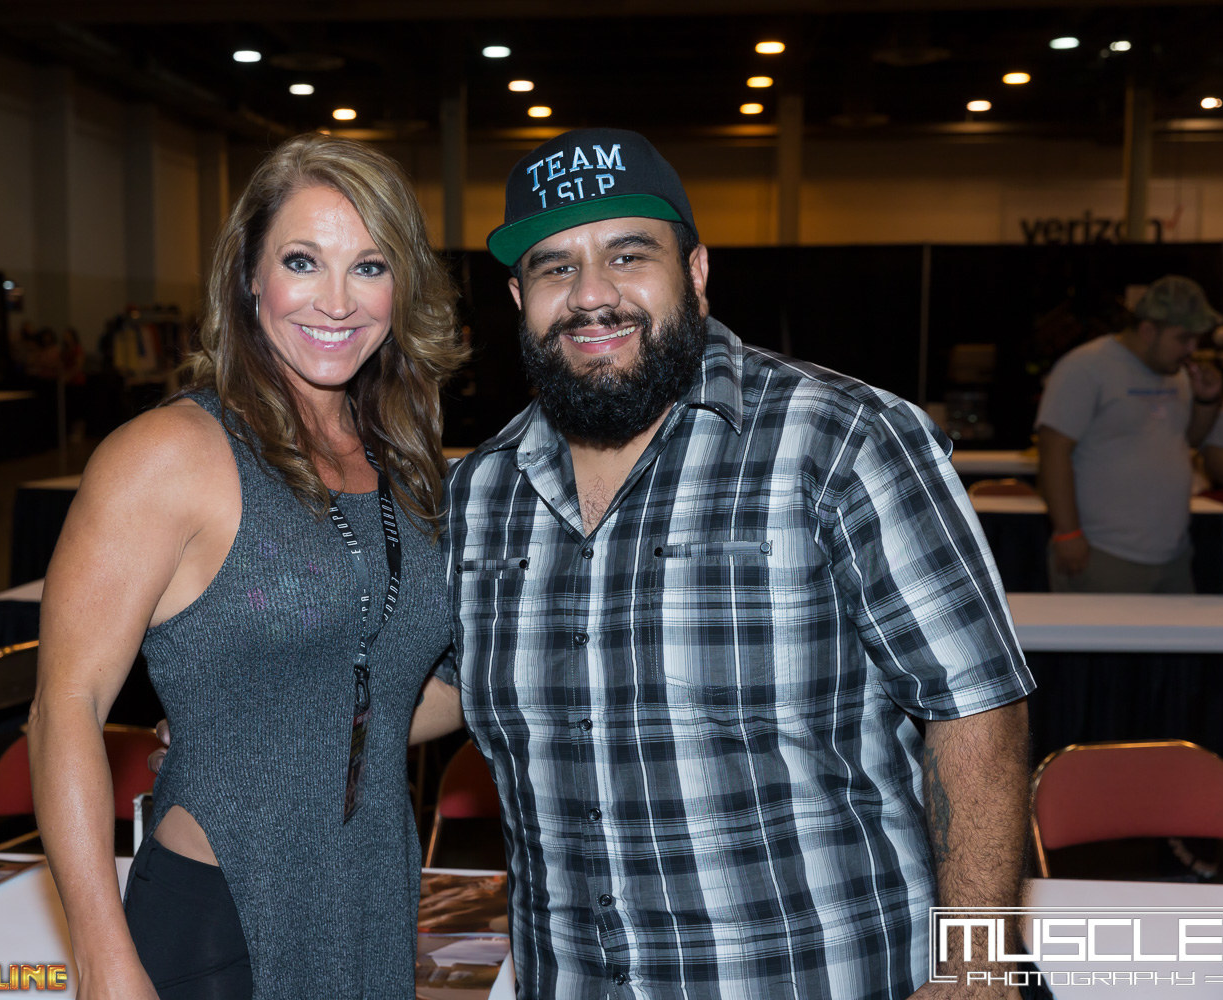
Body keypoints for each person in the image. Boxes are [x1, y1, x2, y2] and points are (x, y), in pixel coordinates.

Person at [436, 128, 1035, 998]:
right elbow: (443, 684)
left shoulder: (842, 439)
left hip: (814, 975)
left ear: (697, 271)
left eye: (628, 255)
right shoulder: (481, 489)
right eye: (555, 267)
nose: (591, 295)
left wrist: (976, 965)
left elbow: (977, 706)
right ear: (518, 296)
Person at [29, 134, 466, 1000]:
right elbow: (62, 709)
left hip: (373, 903)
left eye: (370, 266)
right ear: (249, 277)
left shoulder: (408, 462)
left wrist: (257, 719)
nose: (336, 301)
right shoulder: (166, 455)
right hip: (218, 921)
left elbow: (400, 685)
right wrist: (103, 958)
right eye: (303, 261)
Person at [1035, 275, 1223, 593]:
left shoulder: (1176, 373)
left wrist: (1207, 400)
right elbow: (1053, 451)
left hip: (1173, 557)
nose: (1192, 349)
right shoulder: (1086, 366)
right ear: (1148, 331)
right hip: (1102, 554)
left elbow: (1185, 440)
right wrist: (1068, 533)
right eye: (1184, 338)